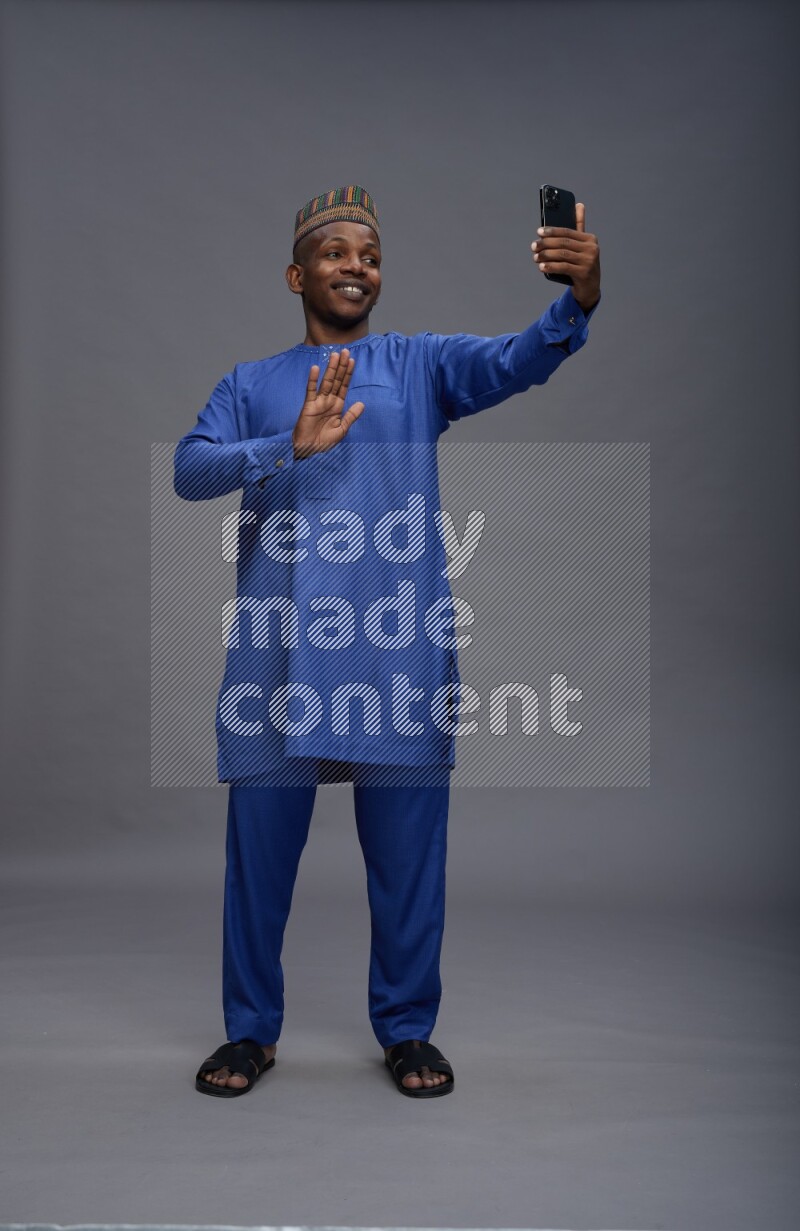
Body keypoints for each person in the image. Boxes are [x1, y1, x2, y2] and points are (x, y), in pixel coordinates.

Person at [174, 184, 601, 1098]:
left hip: (393, 651)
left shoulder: (419, 366)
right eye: (337, 252)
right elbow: (188, 468)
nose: (356, 266)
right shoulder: (251, 382)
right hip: (278, 656)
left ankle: (408, 1030)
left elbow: (520, 359)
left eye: (369, 254)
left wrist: (579, 303)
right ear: (299, 273)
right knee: (257, 863)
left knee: (409, 861)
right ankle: (249, 1032)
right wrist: (281, 447)